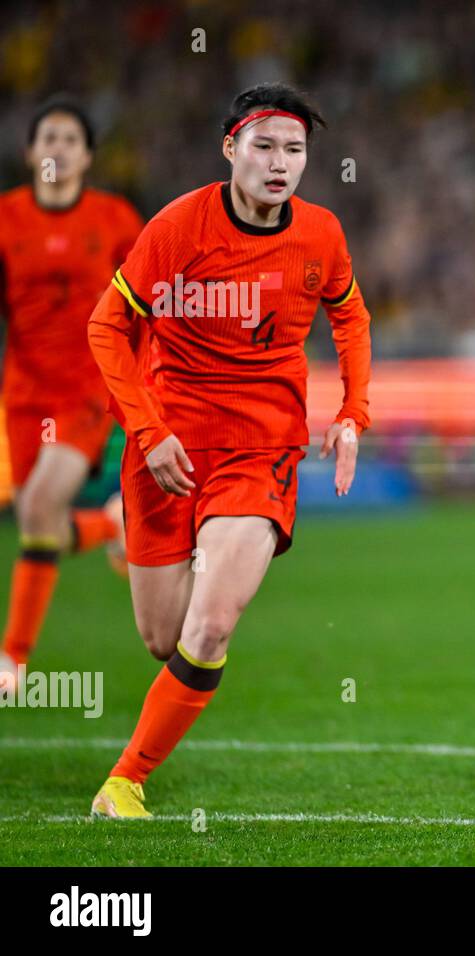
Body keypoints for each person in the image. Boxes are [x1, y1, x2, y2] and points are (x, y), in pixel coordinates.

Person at [85, 83, 372, 818]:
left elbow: (350, 315)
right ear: (231, 150)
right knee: (163, 640)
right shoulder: (178, 228)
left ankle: (125, 782)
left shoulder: (321, 236)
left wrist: (352, 414)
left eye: (295, 150)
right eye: (265, 146)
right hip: (169, 451)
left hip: (262, 449)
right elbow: (106, 327)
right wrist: (147, 433)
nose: (280, 163)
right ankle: (118, 533)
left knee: (211, 624)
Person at [0, 96, 142, 690]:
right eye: (47, 138)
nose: (56, 148)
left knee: (35, 508)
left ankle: (13, 661)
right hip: (24, 390)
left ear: (86, 157)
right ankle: (111, 527)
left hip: (88, 388)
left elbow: (146, 303)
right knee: (40, 521)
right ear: (30, 152)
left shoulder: (114, 221)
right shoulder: (6, 219)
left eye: (69, 140)